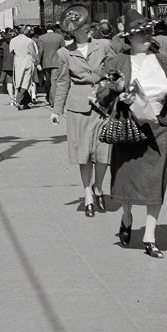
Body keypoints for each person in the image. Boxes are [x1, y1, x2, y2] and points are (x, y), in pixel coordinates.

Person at [107, 12, 167, 258]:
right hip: (128, 130)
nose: (145, 37)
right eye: (139, 33)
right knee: (126, 181)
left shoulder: (163, 62)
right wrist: (117, 95)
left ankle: (150, 237)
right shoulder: (117, 62)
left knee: (156, 184)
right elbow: (102, 95)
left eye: (147, 32)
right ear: (129, 38)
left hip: (158, 130)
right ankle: (126, 217)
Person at [51, 13, 114, 216]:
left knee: (104, 154)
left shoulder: (103, 45)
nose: (87, 28)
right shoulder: (64, 53)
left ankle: (99, 188)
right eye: (81, 26)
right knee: (83, 153)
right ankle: (87, 194)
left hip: (103, 105)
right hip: (78, 108)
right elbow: (62, 82)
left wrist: (110, 87)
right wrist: (56, 110)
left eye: (87, 25)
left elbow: (116, 69)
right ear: (72, 30)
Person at [9, 25, 38, 110]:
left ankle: (24, 102)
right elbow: (34, 52)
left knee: (18, 81)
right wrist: (36, 62)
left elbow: (11, 52)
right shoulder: (30, 41)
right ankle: (18, 100)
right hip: (27, 60)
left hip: (18, 60)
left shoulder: (13, 40)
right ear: (25, 31)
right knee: (26, 81)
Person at [37, 23, 65, 107]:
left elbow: (40, 51)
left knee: (48, 82)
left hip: (46, 62)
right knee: (54, 82)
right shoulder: (59, 37)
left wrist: (38, 62)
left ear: (46, 28)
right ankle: (52, 100)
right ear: (53, 28)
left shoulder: (41, 38)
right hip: (57, 62)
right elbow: (63, 50)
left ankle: (50, 98)